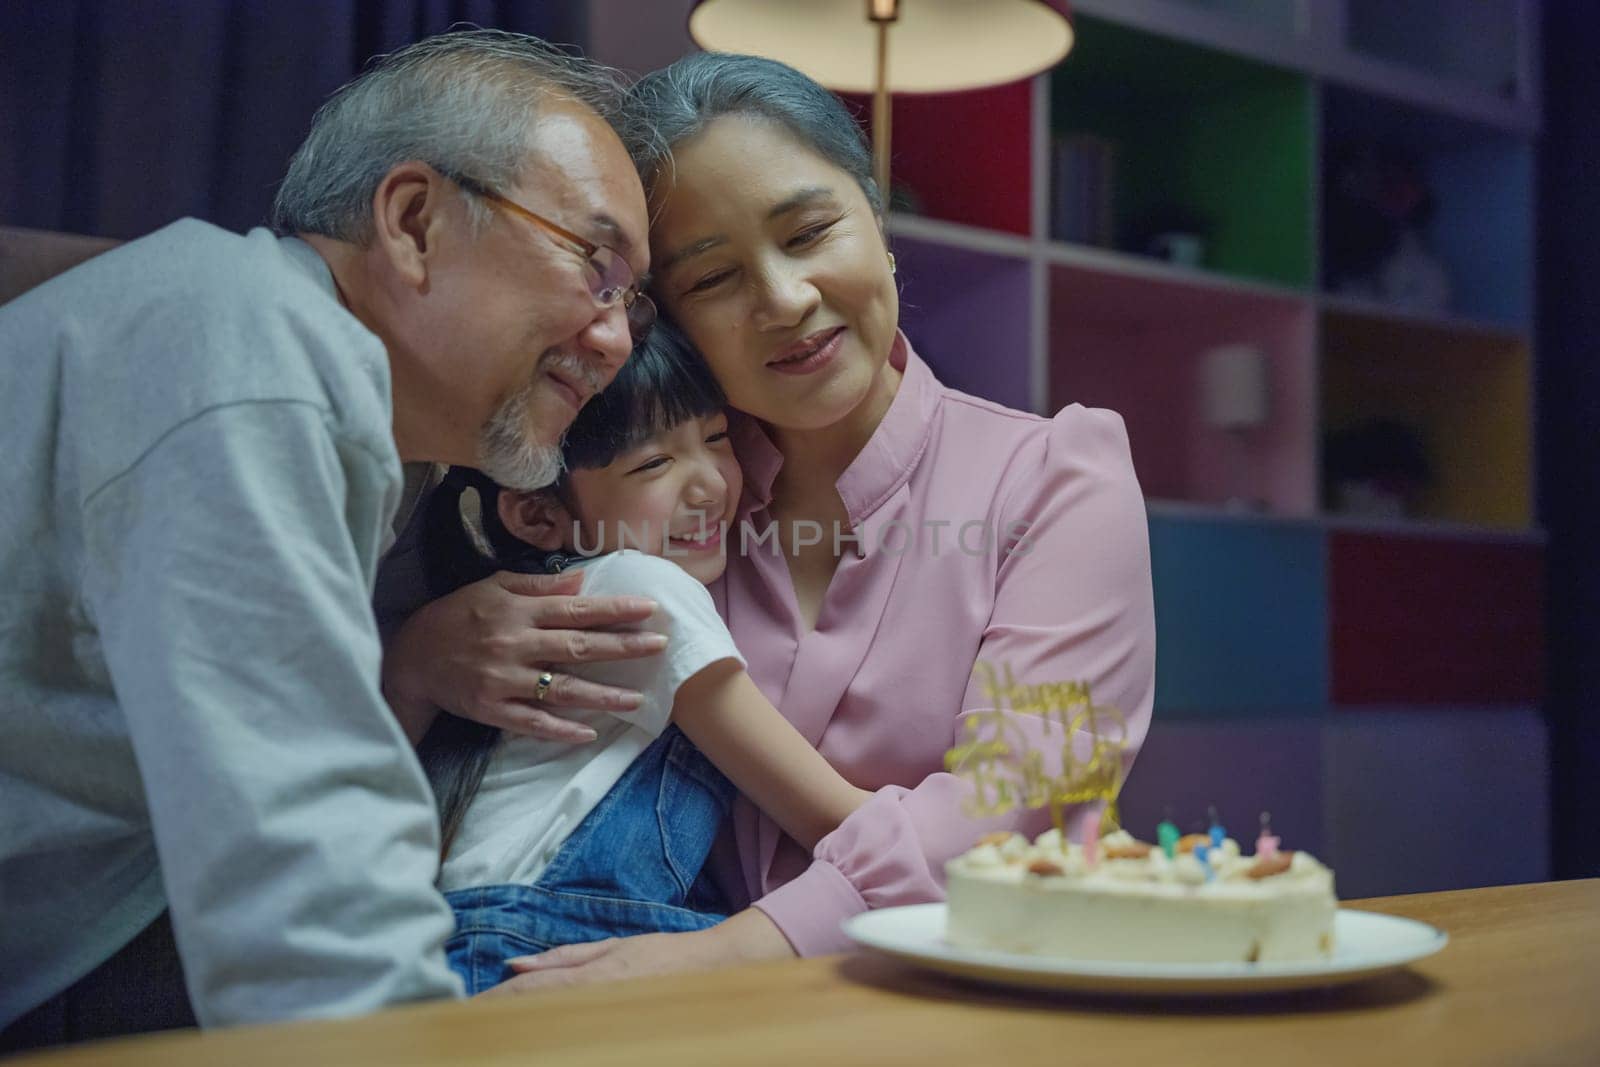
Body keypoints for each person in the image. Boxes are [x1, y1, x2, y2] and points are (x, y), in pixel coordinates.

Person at [388, 50, 1158, 991]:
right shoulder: (652, 506)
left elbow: (1020, 809)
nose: (784, 301)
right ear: (659, 318)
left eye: (809, 232)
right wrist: (422, 655)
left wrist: (724, 952)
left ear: (877, 224)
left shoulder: (1053, 478)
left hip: (957, 1005)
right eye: (712, 280)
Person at [0, 29, 660, 1047]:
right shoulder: (249, 345)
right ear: (411, 221)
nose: (615, 341)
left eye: (632, 302)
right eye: (595, 264)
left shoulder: (364, 422)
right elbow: (302, 867)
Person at [415, 320, 880, 994]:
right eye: (654, 463)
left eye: (716, 438)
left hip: (481, 941)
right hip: (536, 945)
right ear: (539, 516)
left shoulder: (558, 589)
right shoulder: (639, 589)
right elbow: (827, 813)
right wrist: (988, 841)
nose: (709, 485)